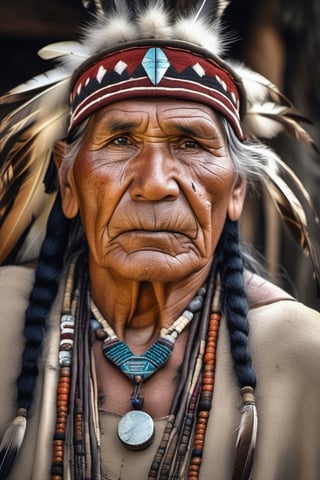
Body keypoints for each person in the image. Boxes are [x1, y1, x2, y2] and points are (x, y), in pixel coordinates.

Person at [0, 1, 320, 479]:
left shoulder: (304, 354)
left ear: (236, 191)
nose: (154, 183)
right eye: (121, 141)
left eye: (190, 143)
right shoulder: (5, 316)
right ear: (69, 185)